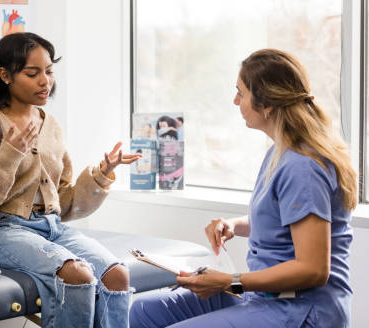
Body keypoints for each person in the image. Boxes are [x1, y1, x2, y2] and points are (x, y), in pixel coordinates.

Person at [130, 49, 357, 328]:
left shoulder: (302, 166)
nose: (235, 101)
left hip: (302, 309)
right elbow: (288, 222)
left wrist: (230, 282)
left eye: (241, 93)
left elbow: (313, 269)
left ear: (267, 105)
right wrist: (234, 225)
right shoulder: (280, 153)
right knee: (144, 311)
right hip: (268, 298)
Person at [0, 32, 141, 328]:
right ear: (5, 75)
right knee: (77, 275)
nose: (45, 81)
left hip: (51, 228)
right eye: (32, 73)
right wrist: (9, 156)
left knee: (117, 275)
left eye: (49, 71)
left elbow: (64, 202)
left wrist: (102, 174)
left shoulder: (50, 125)